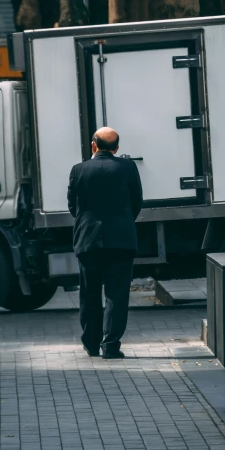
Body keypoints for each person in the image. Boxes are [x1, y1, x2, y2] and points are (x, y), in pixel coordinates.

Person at [67, 127, 143, 359]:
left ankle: (91, 343)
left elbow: (73, 205)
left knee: (89, 293)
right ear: (117, 148)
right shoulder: (128, 167)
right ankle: (110, 345)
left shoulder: (78, 170)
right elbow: (137, 202)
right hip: (121, 239)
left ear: (93, 145)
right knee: (116, 295)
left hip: (88, 239)